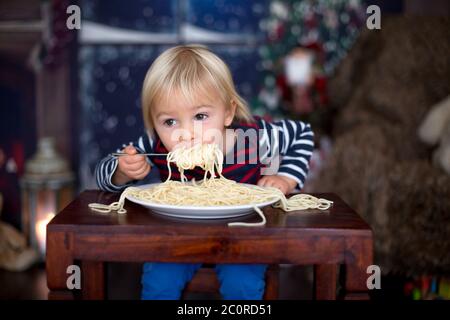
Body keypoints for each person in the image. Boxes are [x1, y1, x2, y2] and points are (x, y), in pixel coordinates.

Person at [95, 45, 314, 300]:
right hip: (178, 237)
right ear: (154, 123)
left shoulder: (253, 139)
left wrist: (286, 179)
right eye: (169, 122)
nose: (186, 133)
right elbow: (104, 171)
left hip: (242, 237)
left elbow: (303, 134)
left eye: (200, 116)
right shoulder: (155, 145)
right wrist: (122, 172)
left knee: (241, 285)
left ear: (228, 112)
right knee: (158, 283)